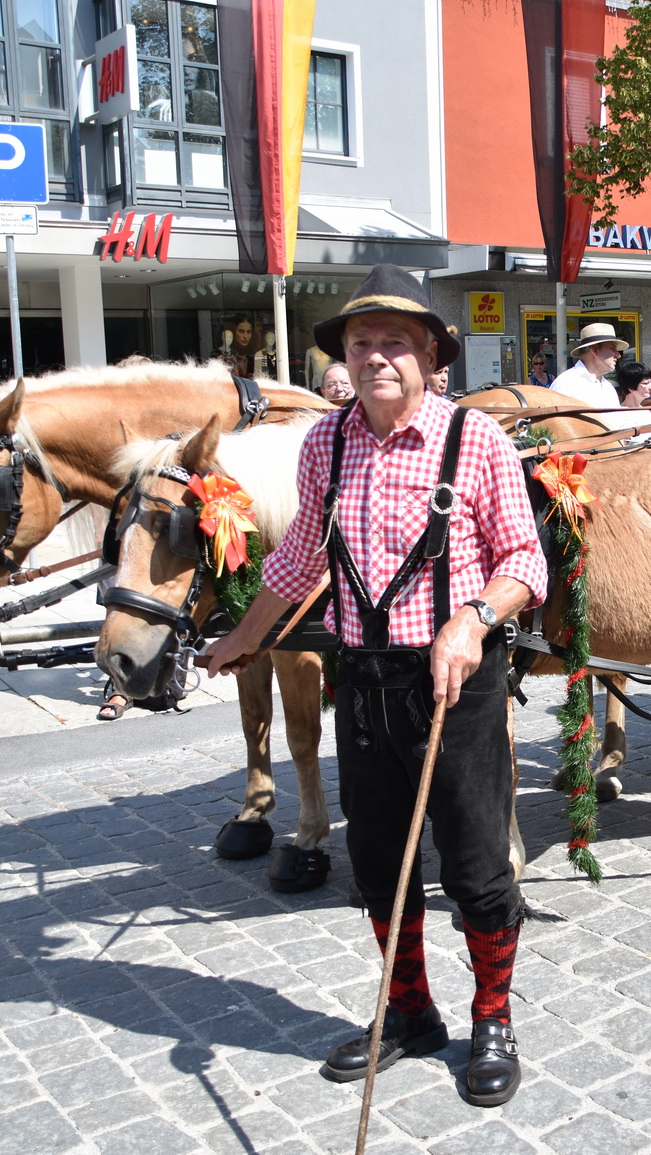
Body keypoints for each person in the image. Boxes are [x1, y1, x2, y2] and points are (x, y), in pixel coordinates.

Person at [202, 263, 548, 1108]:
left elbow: (525, 561)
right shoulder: (325, 442)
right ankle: (410, 1011)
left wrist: (471, 619)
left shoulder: (476, 440)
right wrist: (242, 640)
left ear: (432, 354)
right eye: (362, 342)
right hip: (364, 683)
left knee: (473, 866)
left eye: (397, 340)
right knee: (377, 861)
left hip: (454, 683)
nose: (377, 355)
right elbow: (298, 561)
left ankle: (493, 1016)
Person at [551, 323, 627, 409]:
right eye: (612, 349)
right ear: (595, 350)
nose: (618, 355)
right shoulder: (567, 383)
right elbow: (553, 421)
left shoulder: (608, 387)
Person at [608, 359, 651, 440]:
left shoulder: (646, 413)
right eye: (646, 383)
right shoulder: (618, 414)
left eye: (650, 382)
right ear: (631, 387)